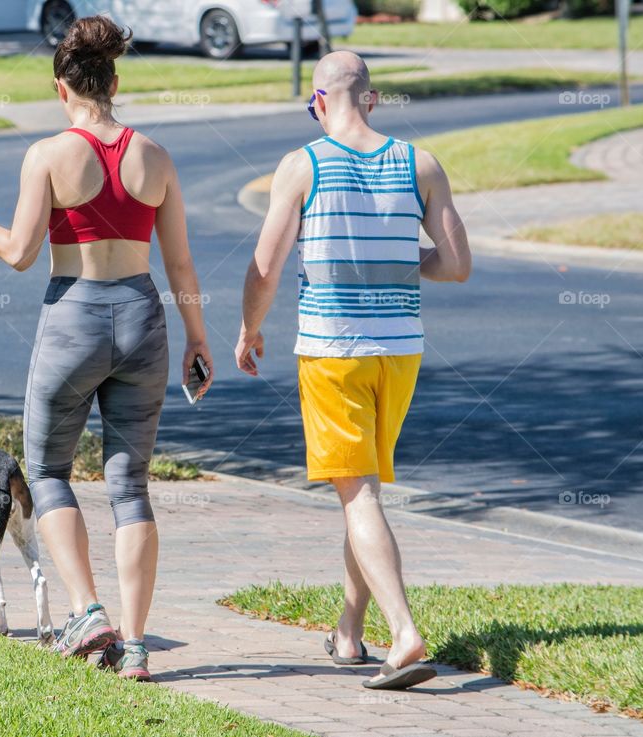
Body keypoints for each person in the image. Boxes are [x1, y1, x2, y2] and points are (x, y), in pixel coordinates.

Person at [0, 16, 213, 681]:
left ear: (62, 88)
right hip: (143, 317)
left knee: (50, 470)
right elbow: (180, 264)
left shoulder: (48, 155)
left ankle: (87, 611)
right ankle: (136, 646)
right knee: (131, 485)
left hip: (75, 317)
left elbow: (19, 253)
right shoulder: (156, 156)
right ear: (114, 83)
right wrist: (198, 339)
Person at [235, 51, 470, 690]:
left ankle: (404, 632)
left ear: (317, 102)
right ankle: (348, 632)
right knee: (361, 490)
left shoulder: (302, 165)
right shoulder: (421, 163)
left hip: (333, 352)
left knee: (357, 494)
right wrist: (399, 260)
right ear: (371, 98)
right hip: (401, 352)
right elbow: (456, 264)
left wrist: (249, 329)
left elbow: (265, 267)